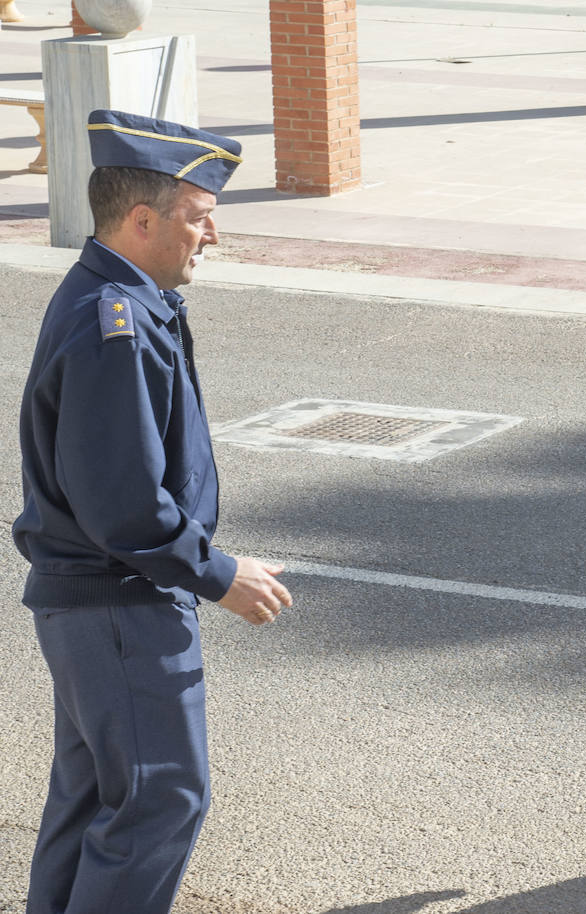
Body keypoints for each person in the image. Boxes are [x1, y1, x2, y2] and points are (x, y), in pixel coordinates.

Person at [13, 109, 294, 914]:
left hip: (97, 603)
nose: (211, 238)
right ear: (143, 220)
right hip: (122, 605)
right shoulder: (119, 323)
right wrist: (216, 574)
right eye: (199, 219)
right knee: (156, 803)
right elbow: (124, 503)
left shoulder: (112, 293)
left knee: (99, 798)